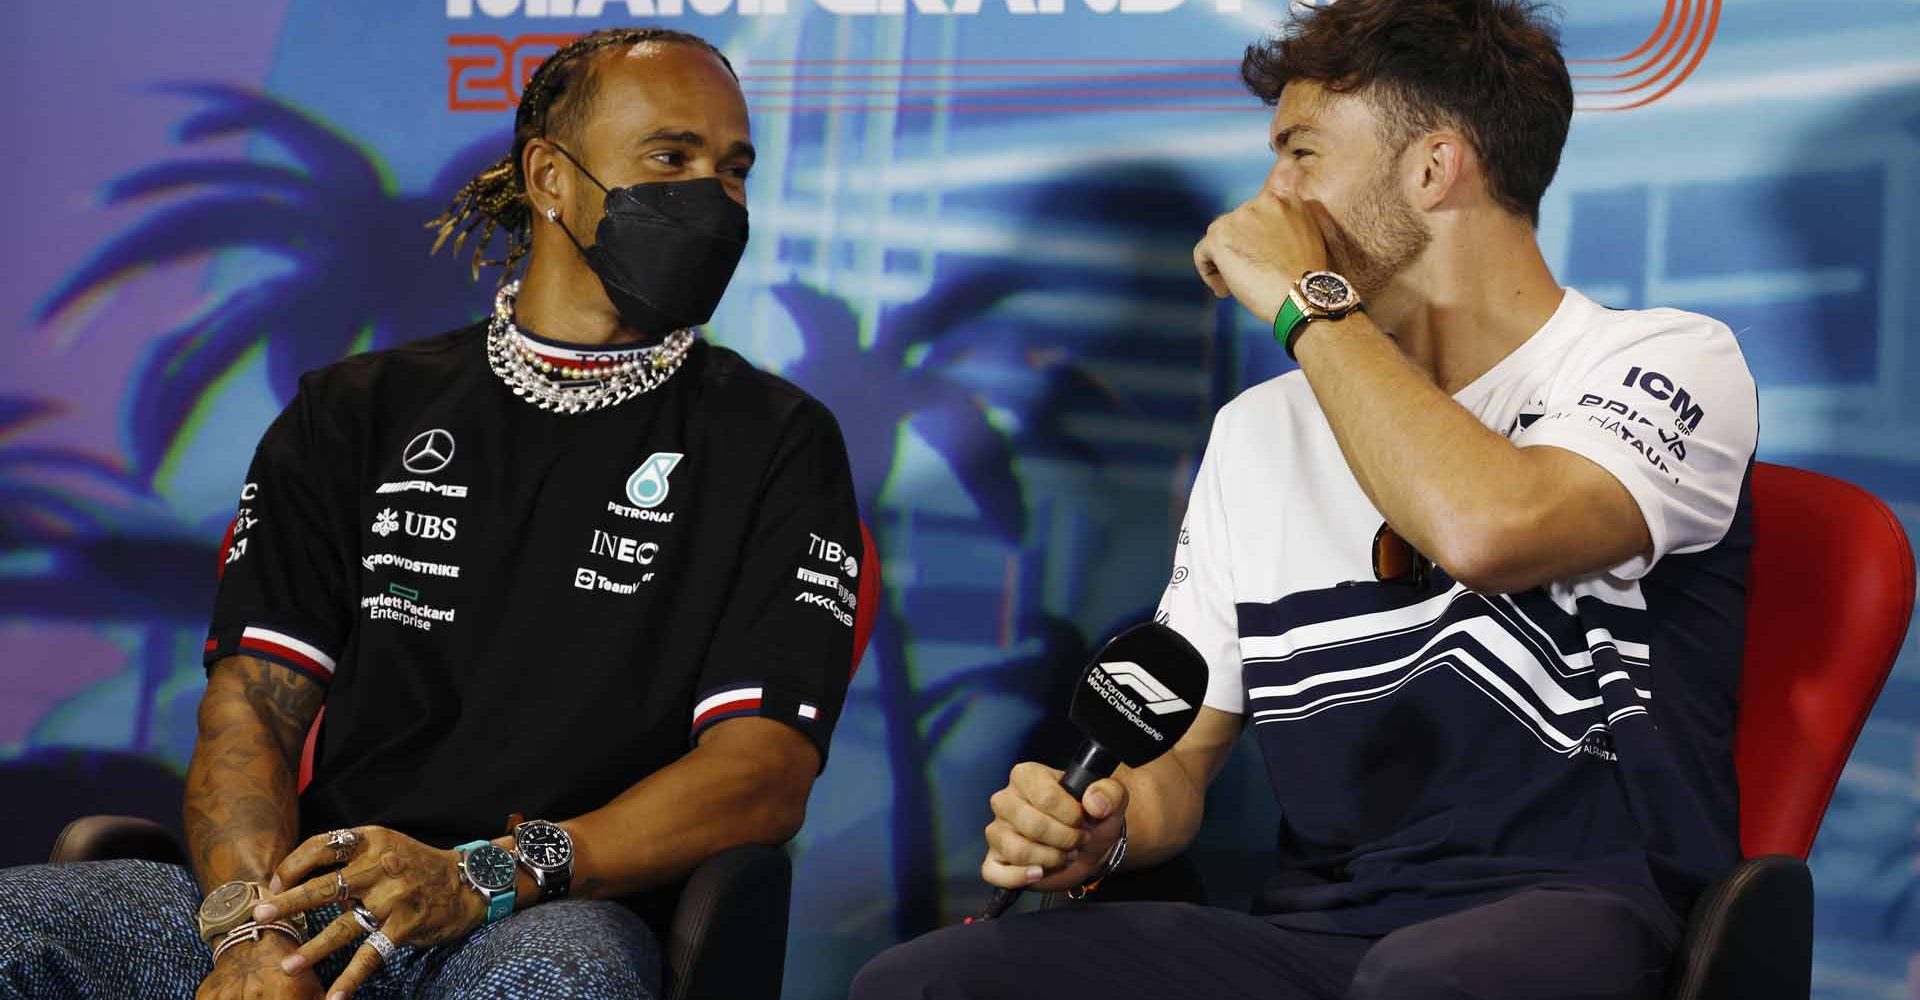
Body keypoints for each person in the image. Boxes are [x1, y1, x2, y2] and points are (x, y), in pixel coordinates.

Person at [852, 1, 1757, 997]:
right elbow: (1182, 765)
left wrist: (1304, 293)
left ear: (1434, 168)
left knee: (1429, 981)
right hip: (1326, 930)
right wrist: (1104, 825)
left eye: (1302, 153)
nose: (1269, 197)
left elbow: (1487, 528)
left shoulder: (1664, 359)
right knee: (930, 982)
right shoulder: (1255, 429)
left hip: (1586, 908)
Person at [0, 27, 865, 1000]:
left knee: (561, 980)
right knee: (14, 933)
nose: (717, 197)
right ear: (549, 176)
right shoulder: (355, 410)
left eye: (734, 168)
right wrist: (253, 935)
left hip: (555, 906)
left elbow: (763, 772)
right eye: (673, 157)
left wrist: (483, 873)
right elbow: (252, 705)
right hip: (316, 896)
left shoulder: (775, 440)